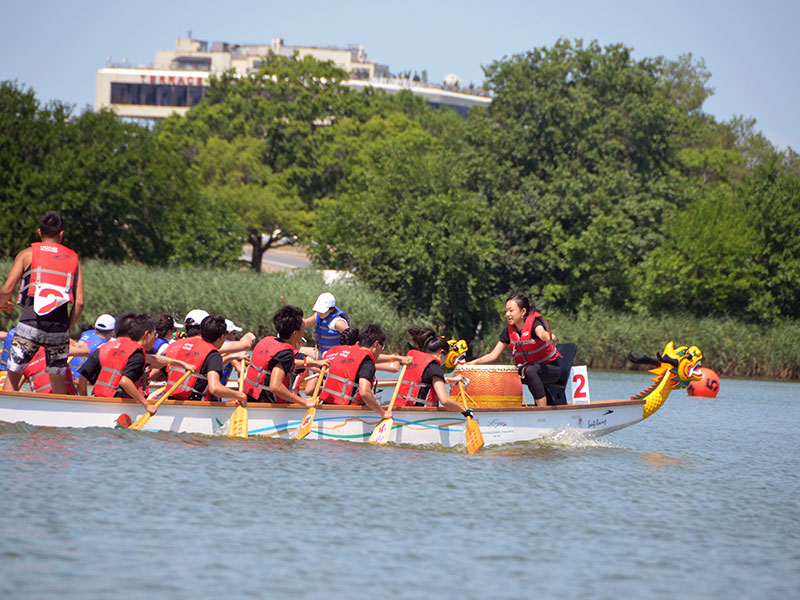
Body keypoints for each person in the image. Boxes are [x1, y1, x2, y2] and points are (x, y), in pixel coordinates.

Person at [1, 211, 84, 394]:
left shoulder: (27, 255)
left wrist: (4, 304)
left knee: (14, 373)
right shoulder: (73, 259)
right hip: (59, 327)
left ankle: (6, 419)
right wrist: (67, 329)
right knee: (57, 376)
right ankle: (59, 420)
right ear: (61, 234)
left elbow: (6, 290)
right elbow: (79, 303)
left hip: (30, 323)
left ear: (40, 232)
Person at [467, 294, 560, 407]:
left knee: (530, 371)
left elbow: (542, 333)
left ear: (523, 311)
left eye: (511, 311)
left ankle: (542, 410)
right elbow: (493, 355)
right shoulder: (508, 331)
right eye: (506, 311)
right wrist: (472, 363)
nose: (507, 314)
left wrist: (548, 337)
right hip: (528, 369)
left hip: (551, 370)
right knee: (506, 374)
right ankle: (505, 409)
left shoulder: (534, 324)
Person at [243, 305, 326, 406]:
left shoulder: (267, 340)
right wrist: (304, 402)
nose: (303, 332)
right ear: (295, 333)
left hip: (250, 399)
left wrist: (314, 363)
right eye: (302, 329)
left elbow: (286, 364)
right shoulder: (285, 354)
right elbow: (275, 386)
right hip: (266, 405)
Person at [77, 314, 157, 414]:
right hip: (118, 406)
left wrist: (86, 405)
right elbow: (124, 381)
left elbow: (81, 379)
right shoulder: (136, 353)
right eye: (155, 334)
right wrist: (147, 405)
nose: (156, 338)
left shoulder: (105, 348)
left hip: (98, 401)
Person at [159, 314, 246, 405]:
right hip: (196, 406)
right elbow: (215, 388)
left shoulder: (177, 345)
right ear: (222, 336)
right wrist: (240, 395)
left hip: (170, 401)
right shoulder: (214, 355)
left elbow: (154, 376)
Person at [318, 323, 393, 420]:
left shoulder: (342, 354)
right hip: (346, 413)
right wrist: (383, 413)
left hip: (325, 408)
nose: (381, 350)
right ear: (376, 344)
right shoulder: (367, 361)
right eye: (382, 347)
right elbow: (364, 392)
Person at [394, 326, 467, 413]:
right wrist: (464, 411)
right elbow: (444, 400)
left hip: (399, 410)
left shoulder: (412, 360)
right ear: (441, 353)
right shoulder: (434, 367)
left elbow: (427, 380)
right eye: (446, 356)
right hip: (419, 415)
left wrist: (453, 380)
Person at [303, 292, 350, 357]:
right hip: (321, 353)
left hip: (336, 356)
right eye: (319, 310)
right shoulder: (317, 316)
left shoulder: (338, 322)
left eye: (323, 311)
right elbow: (304, 323)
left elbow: (351, 336)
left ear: (331, 309)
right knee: (297, 351)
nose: (320, 313)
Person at [70, 314, 116, 380]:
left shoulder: (86, 333)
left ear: (95, 328)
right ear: (112, 332)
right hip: (84, 381)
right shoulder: (110, 344)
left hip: (70, 376)